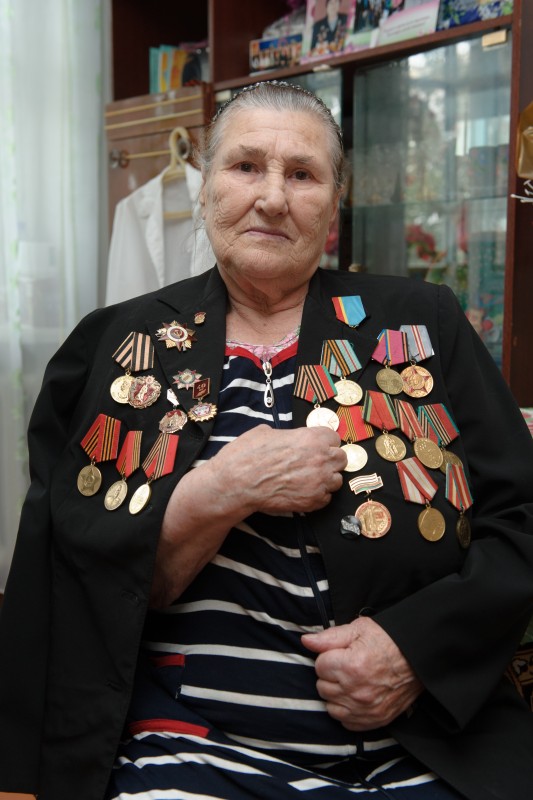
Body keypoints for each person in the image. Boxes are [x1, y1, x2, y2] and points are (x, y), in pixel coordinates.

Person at [0, 80, 532, 800]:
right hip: (195, 748)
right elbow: (69, 561)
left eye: (303, 174)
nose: (272, 197)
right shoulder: (117, 342)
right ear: (207, 186)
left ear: (334, 205)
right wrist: (220, 489)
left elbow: (518, 517)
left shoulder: (423, 322)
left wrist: (414, 650)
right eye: (246, 166)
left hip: (426, 743)